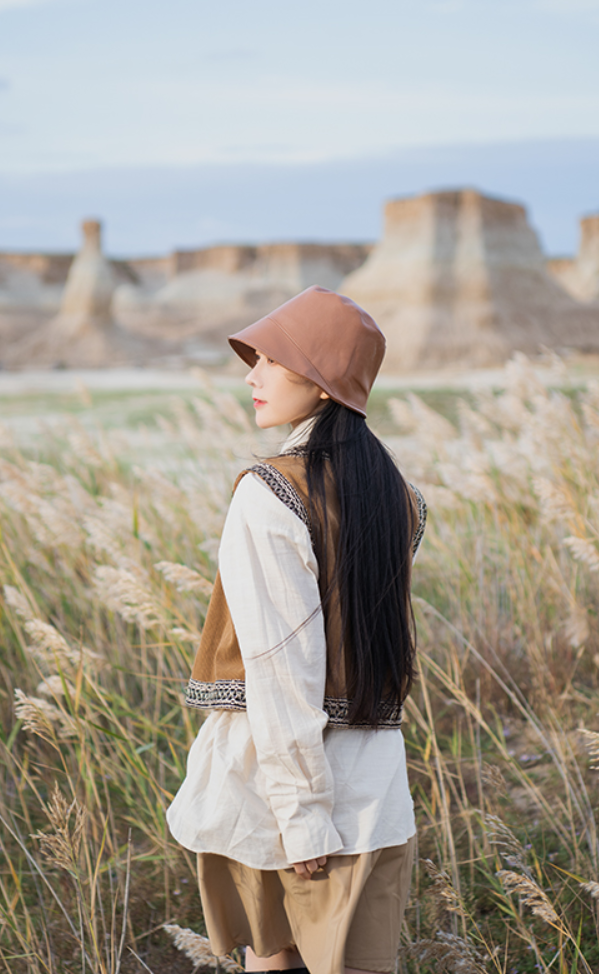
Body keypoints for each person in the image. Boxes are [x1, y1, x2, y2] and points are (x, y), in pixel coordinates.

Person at [167, 286, 426, 974]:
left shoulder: (269, 490)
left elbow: (283, 666)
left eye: (271, 361)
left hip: (278, 792)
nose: (250, 376)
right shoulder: (394, 493)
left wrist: (303, 814)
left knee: (273, 958)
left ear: (319, 383)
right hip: (372, 787)